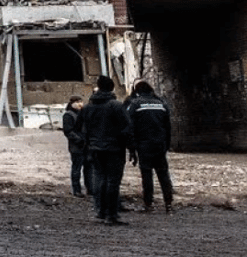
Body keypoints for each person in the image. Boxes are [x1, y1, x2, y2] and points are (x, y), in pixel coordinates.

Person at [79, 75, 132, 225]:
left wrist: (88, 143)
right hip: (114, 149)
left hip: (95, 148)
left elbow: (81, 128)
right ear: (111, 88)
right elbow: (127, 127)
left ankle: (100, 211)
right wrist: (131, 148)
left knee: (99, 179)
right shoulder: (115, 105)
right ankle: (111, 215)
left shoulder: (88, 107)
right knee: (113, 181)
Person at [124, 80, 173, 212]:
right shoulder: (161, 103)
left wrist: (132, 149)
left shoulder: (135, 104)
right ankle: (168, 203)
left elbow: (130, 127)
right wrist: (167, 145)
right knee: (163, 175)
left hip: (144, 145)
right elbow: (168, 127)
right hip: (160, 145)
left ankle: (148, 204)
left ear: (137, 91)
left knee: (147, 175)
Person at [62, 95, 92, 198]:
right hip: (76, 146)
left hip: (86, 146)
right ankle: (76, 190)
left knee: (88, 169)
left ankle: (90, 189)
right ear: (72, 103)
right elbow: (68, 131)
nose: (80, 104)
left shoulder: (83, 113)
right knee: (77, 168)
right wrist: (79, 139)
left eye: (81, 101)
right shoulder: (68, 115)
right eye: (77, 102)